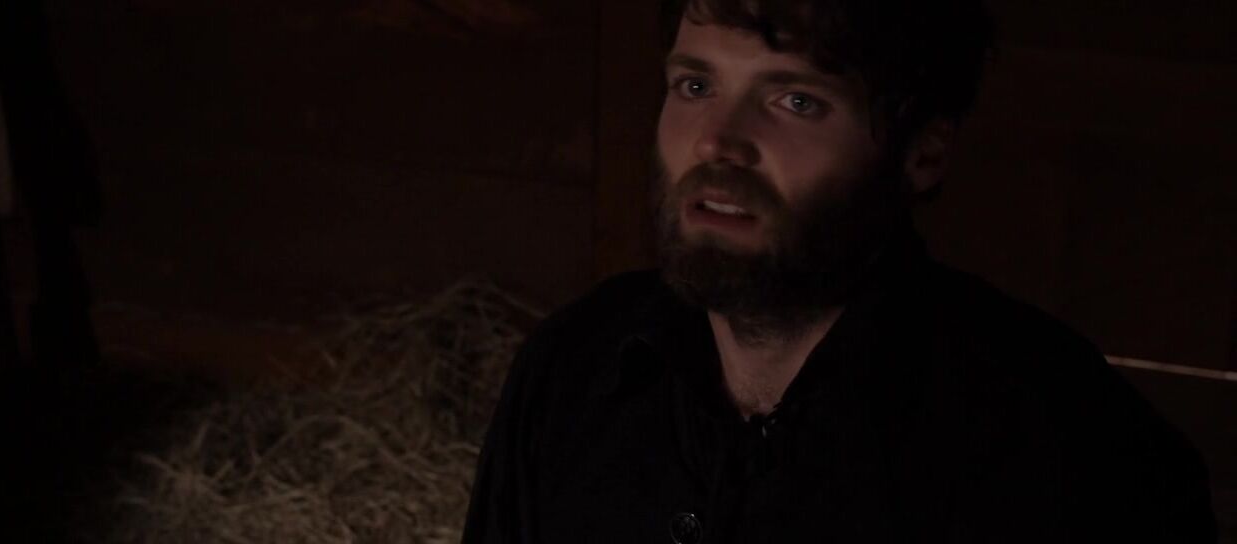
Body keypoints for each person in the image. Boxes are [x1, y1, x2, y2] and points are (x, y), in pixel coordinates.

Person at [461, 0, 1217, 542]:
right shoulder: (574, 370)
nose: (717, 141)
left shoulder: (1070, 451)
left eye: (795, 100)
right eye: (695, 86)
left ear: (922, 153)